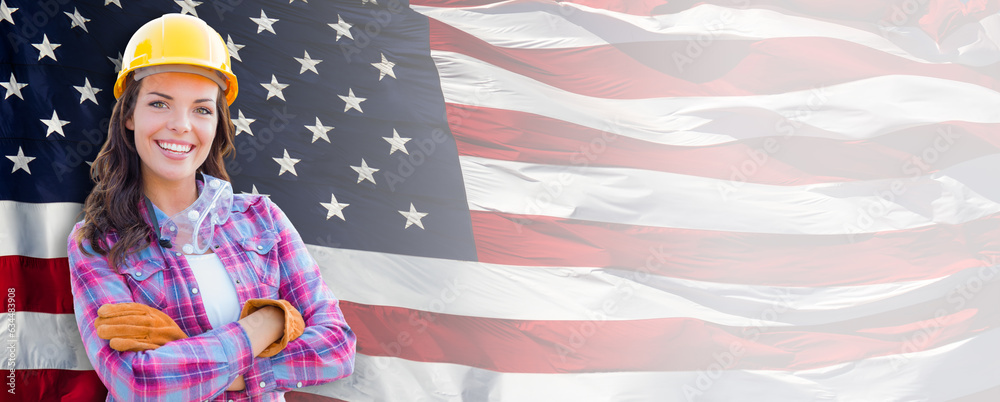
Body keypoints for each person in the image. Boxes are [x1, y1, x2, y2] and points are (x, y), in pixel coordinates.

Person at [67, 13, 355, 401]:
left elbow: (337, 347)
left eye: (201, 109)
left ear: (217, 122)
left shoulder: (263, 219)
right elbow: (137, 383)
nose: (181, 125)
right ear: (130, 115)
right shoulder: (96, 241)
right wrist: (268, 322)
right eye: (160, 103)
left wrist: (201, 367)